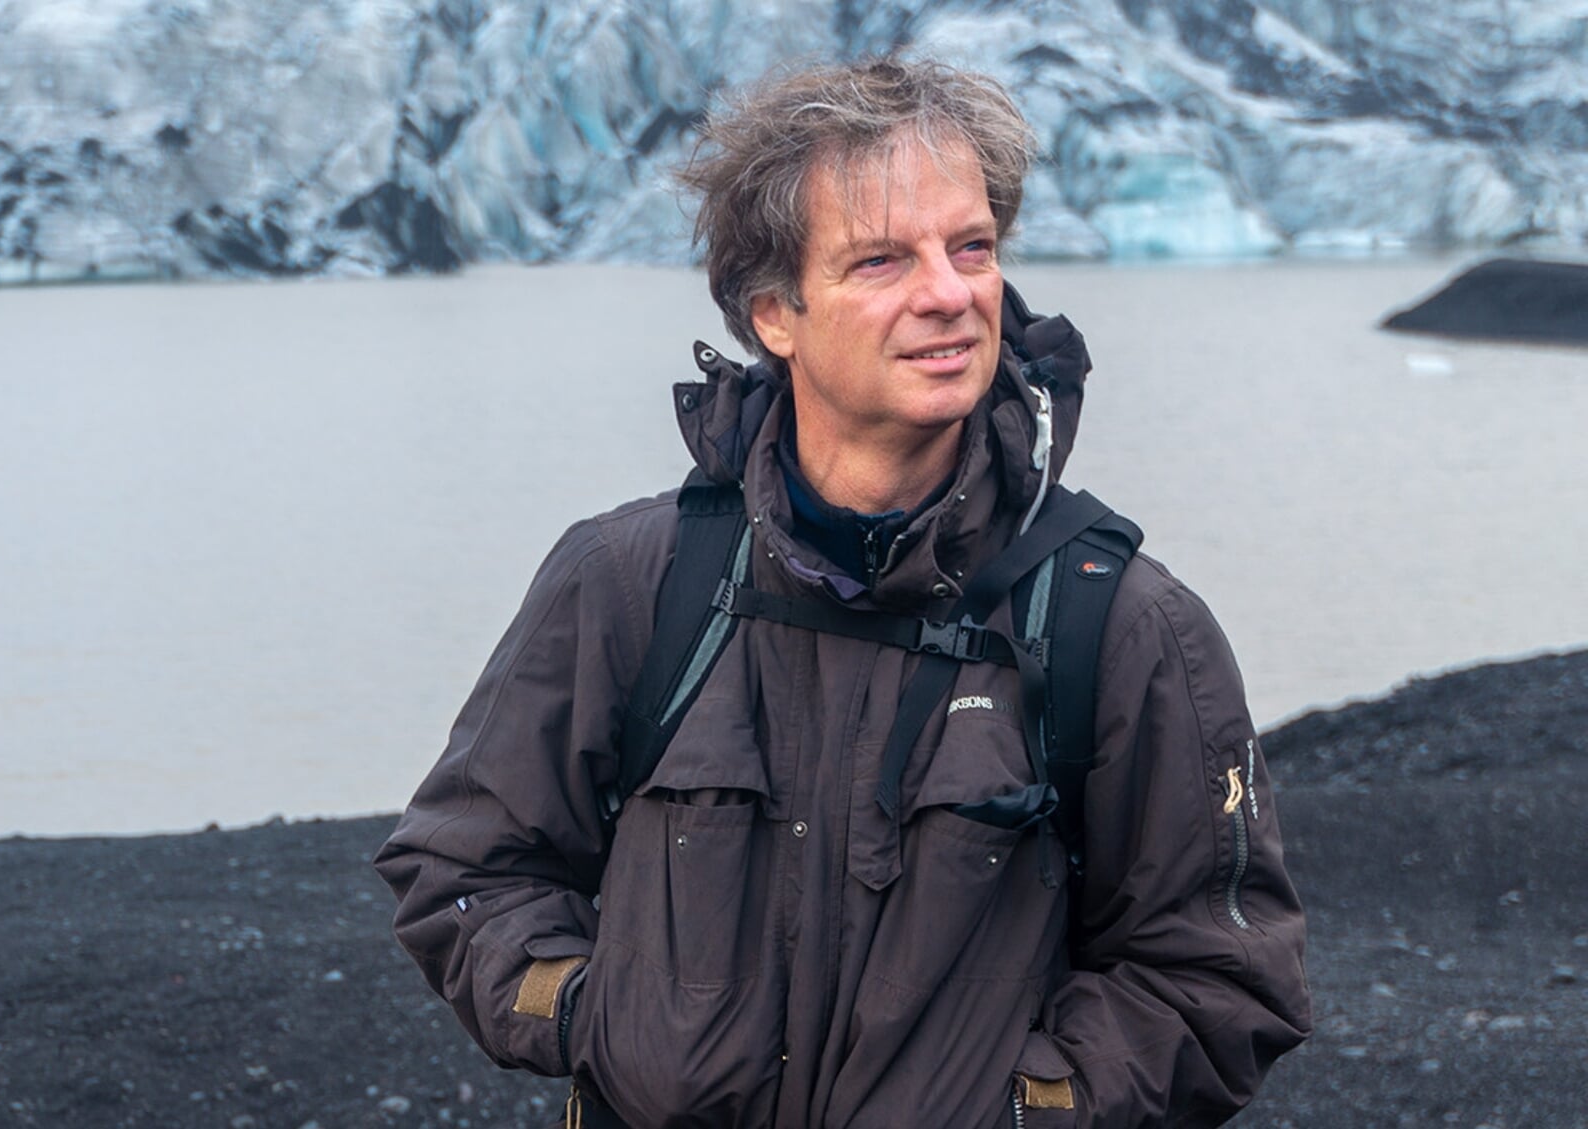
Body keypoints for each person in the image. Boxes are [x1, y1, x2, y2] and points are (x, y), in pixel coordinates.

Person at [375, 56, 1310, 1128]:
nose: (950, 294)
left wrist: (1032, 1108)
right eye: (882, 261)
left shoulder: (1120, 620)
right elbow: (464, 867)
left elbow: (1220, 972)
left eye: (972, 248)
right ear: (775, 311)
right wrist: (598, 1014)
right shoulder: (636, 581)